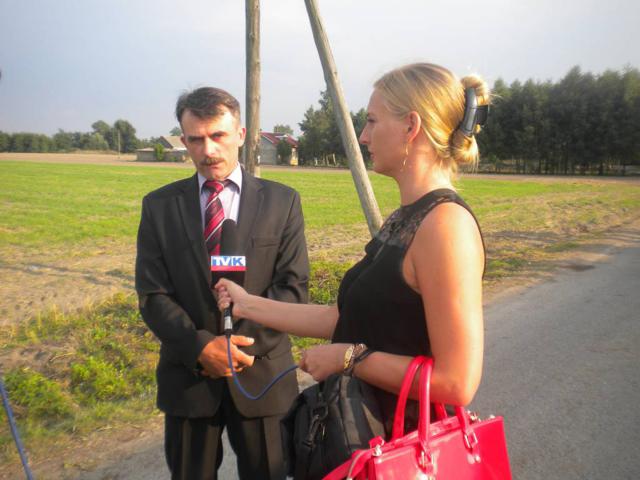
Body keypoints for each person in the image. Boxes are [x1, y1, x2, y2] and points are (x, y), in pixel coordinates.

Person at [216, 63, 490, 432]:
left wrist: (348, 358)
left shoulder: (445, 226)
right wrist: (246, 303)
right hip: (369, 432)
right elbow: (346, 318)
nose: (363, 136)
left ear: (411, 126)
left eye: (372, 121)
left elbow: (456, 382)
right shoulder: (408, 218)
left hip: (405, 444)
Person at [135, 87, 309, 480]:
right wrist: (201, 348)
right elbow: (152, 294)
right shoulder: (159, 207)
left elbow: (292, 287)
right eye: (196, 139)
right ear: (184, 141)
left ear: (241, 134)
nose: (208, 150)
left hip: (262, 375)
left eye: (218, 136)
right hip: (189, 379)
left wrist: (239, 348)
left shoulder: (282, 202)